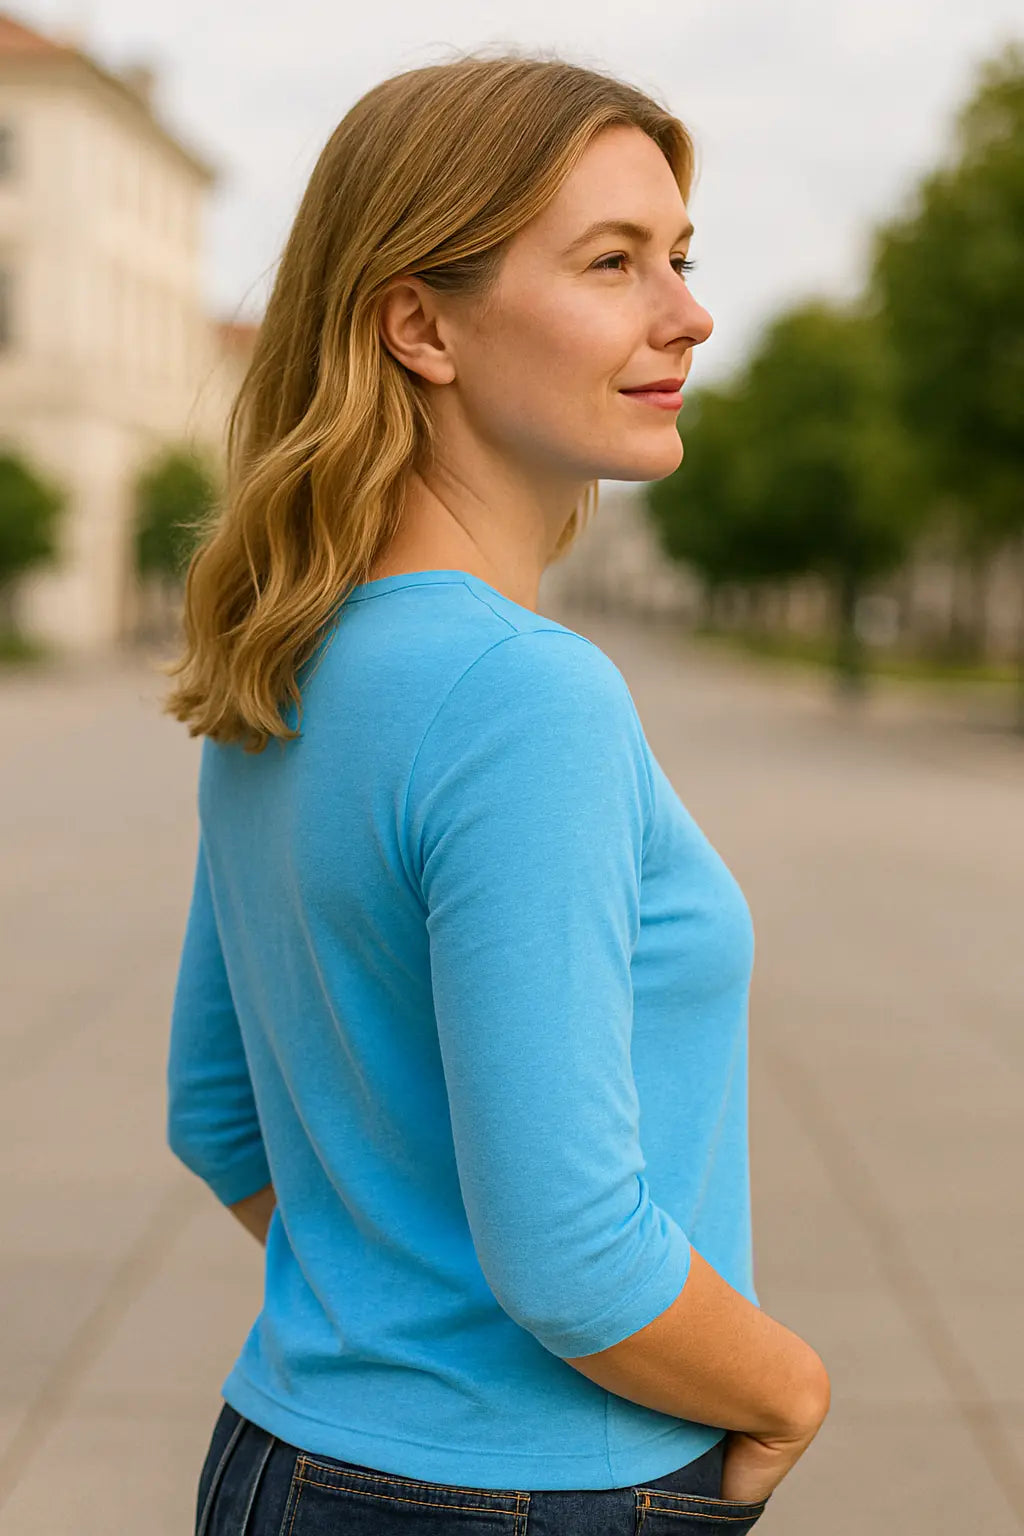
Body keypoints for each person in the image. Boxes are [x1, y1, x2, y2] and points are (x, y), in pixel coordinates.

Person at [162, 49, 830, 1536]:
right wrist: (788, 1389)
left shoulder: (285, 653)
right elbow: (576, 1257)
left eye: (681, 258)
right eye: (613, 263)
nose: (690, 314)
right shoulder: (528, 696)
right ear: (421, 324)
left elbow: (218, 1119)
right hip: (524, 1491)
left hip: (283, 1458)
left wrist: (394, 1303)